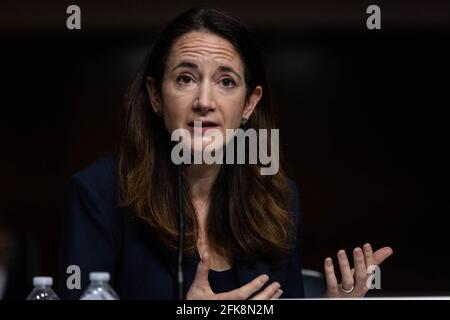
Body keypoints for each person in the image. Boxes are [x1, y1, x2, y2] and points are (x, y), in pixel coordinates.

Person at [59, 7, 393, 300]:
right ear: (155, 96)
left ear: (249, 103)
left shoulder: (278, 200)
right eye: (186, 78)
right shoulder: (97, 194)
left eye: (226, 82)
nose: (204, 101)